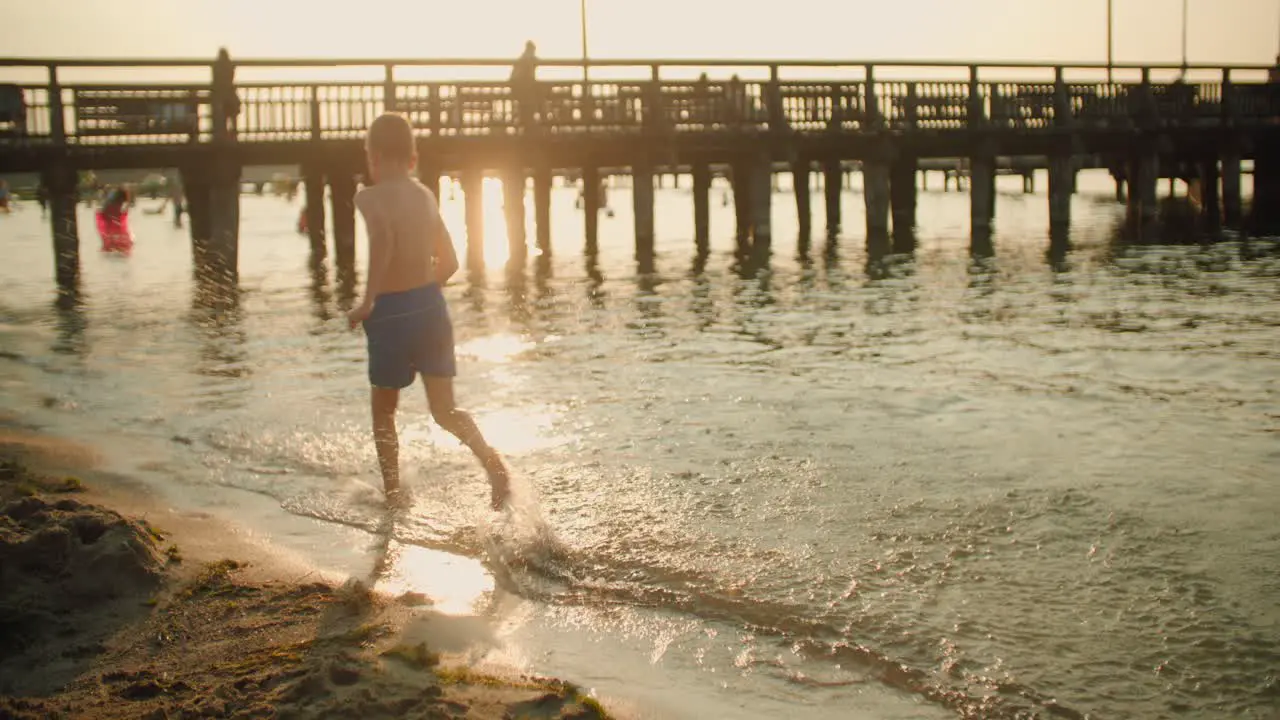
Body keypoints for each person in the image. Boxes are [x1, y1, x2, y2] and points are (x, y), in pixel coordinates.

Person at [346, 113, 511, 509]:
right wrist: (421, 294)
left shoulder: (367, 197)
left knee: (384, 412)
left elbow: (383, 241)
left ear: (375, 155)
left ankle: (393, 496)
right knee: (444, 410)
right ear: (413, 157)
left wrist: (369, 302)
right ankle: (492, 462)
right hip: (431, 309)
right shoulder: (424, 195)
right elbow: (450, 262)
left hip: (389, 314)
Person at [509, 41, 539, 132]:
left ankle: (526, 124)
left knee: (527, 104)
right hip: (522, 87)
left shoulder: (522, 58)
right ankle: (529, 125)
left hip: (519, 87)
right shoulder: (527, 58)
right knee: (529, 102)